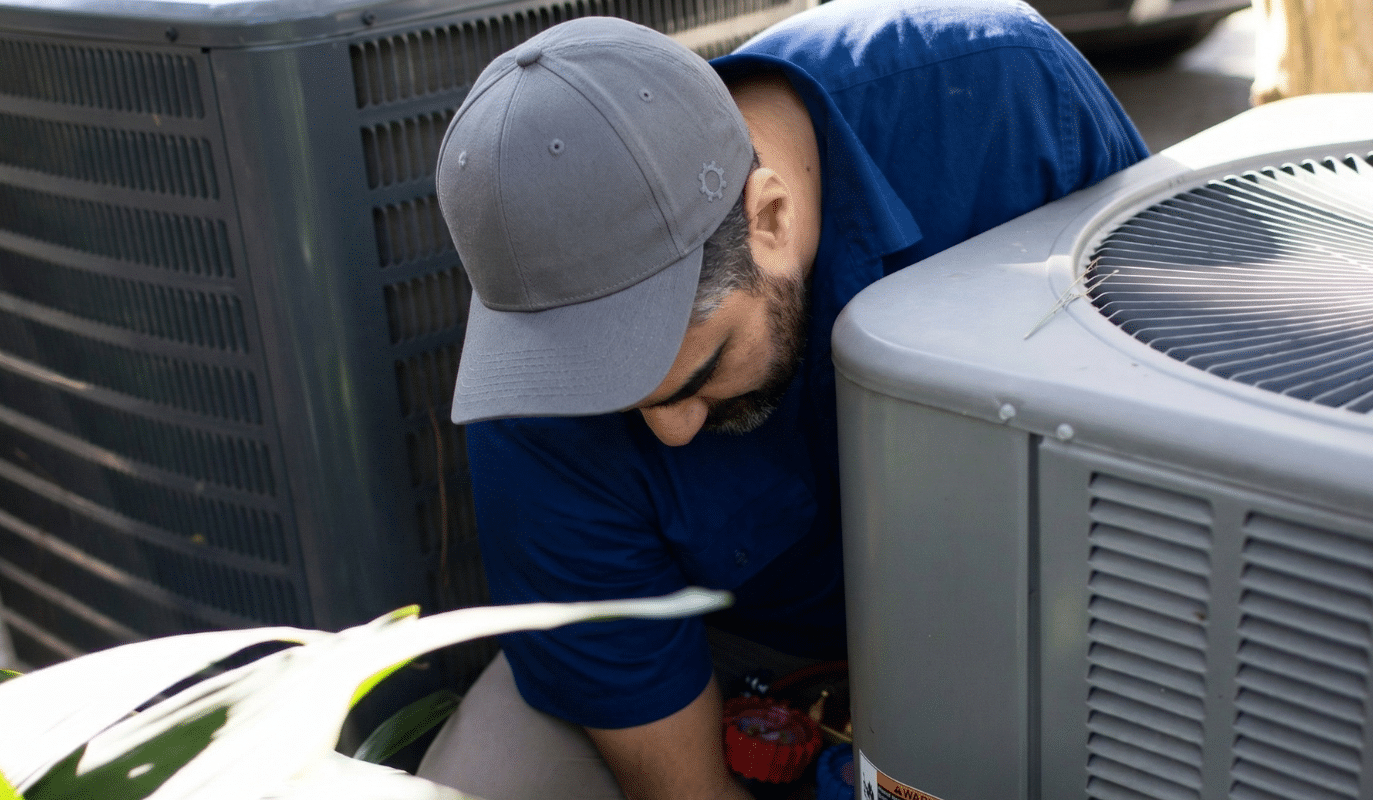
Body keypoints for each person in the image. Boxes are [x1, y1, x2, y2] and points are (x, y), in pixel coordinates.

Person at [418, 0, 1148, 797]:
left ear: (769, 216)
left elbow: (1182, 407)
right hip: (729, 648)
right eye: (625, 402)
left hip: (1051, 612)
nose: (670, 430)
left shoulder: (1005, 95)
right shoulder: (532, 391)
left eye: (699, 376)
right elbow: (682, 785)